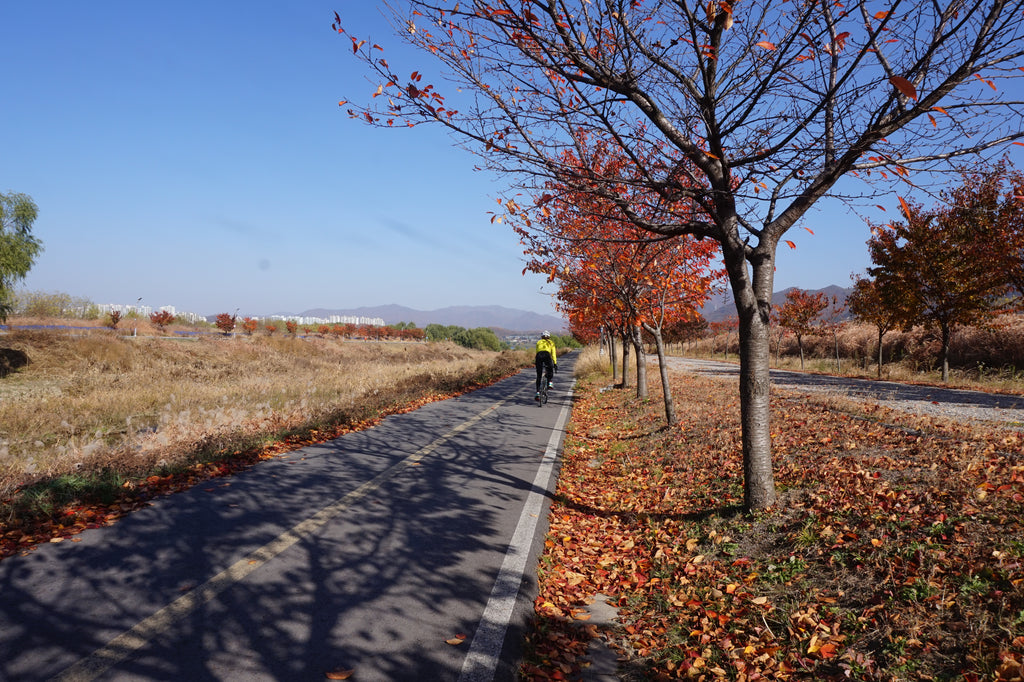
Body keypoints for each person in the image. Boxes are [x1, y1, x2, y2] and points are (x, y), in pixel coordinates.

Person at [535, 331, 557, 400]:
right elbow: (553, 354)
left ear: (542, 336)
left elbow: (536, 352)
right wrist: (555, 363)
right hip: (547, 355)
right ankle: (550, 382)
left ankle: (538, 393)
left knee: (539, 375)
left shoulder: (538, 342)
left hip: (539, 356)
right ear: (549, 336)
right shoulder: (551, 342)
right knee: (550, 369)